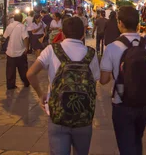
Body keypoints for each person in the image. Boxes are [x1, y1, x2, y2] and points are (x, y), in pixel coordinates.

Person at [27, 17, 100, 155]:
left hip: (58, 115)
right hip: (83, 117)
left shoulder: (51, 50)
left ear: (63, 34)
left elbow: (30, 74)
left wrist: (41, 94)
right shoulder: (91, 53)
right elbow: (95, 80)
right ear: (83, 33)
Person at [100, 6, 146, 155]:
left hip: (121, 103)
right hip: (145, 104)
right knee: (136, 140)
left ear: (120, 23)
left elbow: (103, 80)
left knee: (126, 145)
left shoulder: (111, 48)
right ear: (138, 23)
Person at [4, 13, 30, 90]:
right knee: (23, 69)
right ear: (21, 19)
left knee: (10, 70)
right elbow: (26, 38)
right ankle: (26, 82)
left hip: (10, 51)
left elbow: (5, 36)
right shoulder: (22, 27)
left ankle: (10, 85)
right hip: (20, 51)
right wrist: (26, 48)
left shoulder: (9, 26)